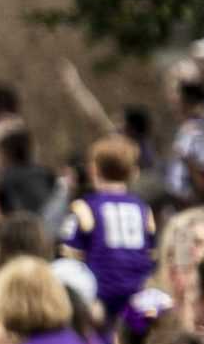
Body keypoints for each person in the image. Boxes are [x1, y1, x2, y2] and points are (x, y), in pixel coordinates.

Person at [60, 135, 156, 321]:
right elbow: (152, 256)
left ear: (93, 170)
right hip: (137, 298)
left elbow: (69, 257)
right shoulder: (144, 210)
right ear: (134, 172)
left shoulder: (84, 208)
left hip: (98, 300)